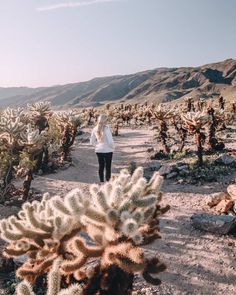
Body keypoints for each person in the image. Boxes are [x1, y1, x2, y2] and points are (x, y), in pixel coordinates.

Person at [90, 114, 115, 183]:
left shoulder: (95, 128)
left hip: (99, 150)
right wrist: (113, 147)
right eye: (107, 120)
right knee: (108, 167)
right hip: (108, 150)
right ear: (104, 120)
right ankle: (108, 183)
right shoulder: (106, 128)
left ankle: (101, 182)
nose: (107, 121)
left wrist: (97, 145)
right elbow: (110, 141)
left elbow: (91, 141)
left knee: (101, 166)